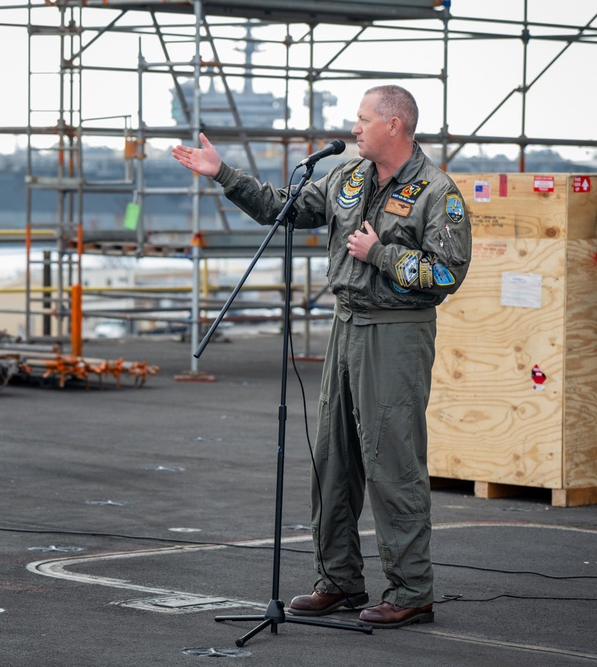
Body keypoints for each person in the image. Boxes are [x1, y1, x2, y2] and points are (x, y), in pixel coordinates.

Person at [171, 84, 471, 628]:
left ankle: (411, 592)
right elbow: (280, 210)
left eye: (362, 119)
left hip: (397, 332)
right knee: (334, 459)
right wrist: (223, 174)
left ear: (394, 125)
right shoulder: (347, 177)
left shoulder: (436, 191)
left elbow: (448, 272)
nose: (354, 128)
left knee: (392, 462)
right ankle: (339, 580)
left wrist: (380, 254)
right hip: (346, 325)